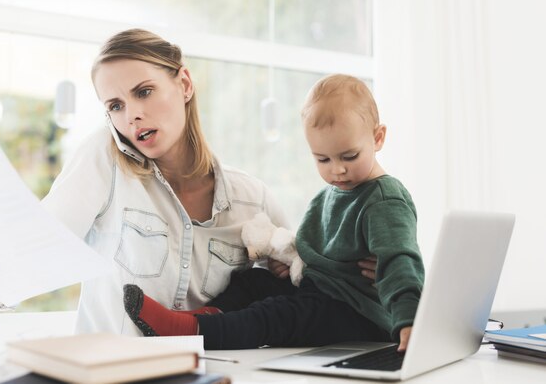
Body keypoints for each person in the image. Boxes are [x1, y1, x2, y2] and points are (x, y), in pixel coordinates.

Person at [0, 30, 378, 336]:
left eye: (143, 92)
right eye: (114, 105)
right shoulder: (107, 160)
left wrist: (368, 275)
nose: (131, 115)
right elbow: (42, 243)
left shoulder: (250, 198)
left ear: (183, 84)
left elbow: (300, 283)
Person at [123, 74, 425, 351]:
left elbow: (399, 263)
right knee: (253, 282)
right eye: (322, 159)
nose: (337, 170)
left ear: (378, 138)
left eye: (349, 156)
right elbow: (323, 255)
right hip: (321, 291)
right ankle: (201, 317)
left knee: (278, 315)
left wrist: (408, 321)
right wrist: (294, 265)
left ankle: (192, 331)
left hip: (358, 313)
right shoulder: (332, 193)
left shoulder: (384, 200)